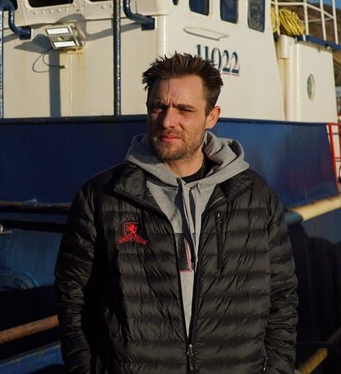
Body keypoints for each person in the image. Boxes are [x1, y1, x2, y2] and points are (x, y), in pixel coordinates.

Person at [54, 53, 297, 373]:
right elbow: (73, 297)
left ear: (212, 116)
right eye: (158, 107)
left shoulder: (255, 197)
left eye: (184, 110)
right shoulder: (102, 197)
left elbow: (281, 297)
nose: (167, 121)